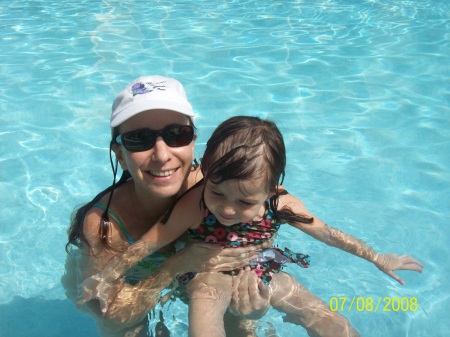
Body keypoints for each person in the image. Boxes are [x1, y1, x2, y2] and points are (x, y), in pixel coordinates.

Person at [78, 116, 424, 337]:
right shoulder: (196, 200)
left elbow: (328, 234)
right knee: (205, 309)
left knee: (324, 316)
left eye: (245, 202)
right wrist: (104, 276)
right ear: (207, 174)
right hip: (205, 272)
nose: (227, 209)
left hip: (261, 268)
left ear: (271, 190)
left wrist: (378, 258)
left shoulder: (281, 204)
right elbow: (152, 242)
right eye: (218, 193)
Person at [62, 76, 273, 337]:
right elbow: (112, 318)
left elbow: (261, 237)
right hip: (135, 284)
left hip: (188, 282)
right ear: (120, 156)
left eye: (176, 134)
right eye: (139, 139)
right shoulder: (104, 227)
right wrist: (176, 266)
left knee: (241, 325)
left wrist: (253, 301)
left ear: (193, 142)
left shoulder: (223, 192)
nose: (162, 155)